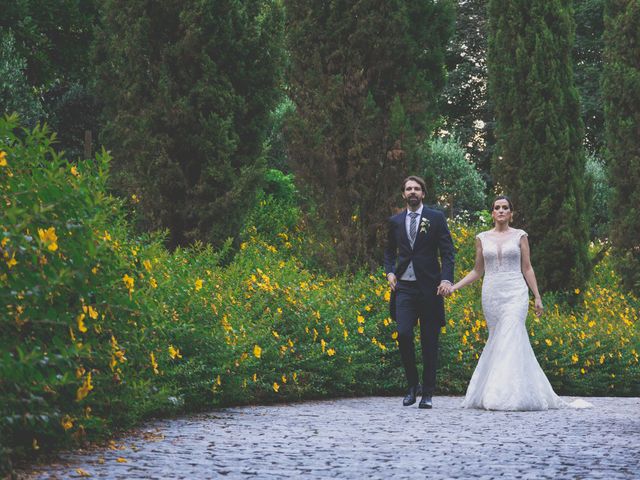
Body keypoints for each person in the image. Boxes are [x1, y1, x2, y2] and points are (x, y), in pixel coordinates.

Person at [448, 196, 591, 410]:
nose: (501, 211)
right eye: (497, 208)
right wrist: (454, 287)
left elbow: (527, 268)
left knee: (511, 335)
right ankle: (495, 391)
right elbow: (478, 270)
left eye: (505, 208)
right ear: (492, 213)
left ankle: (506, 396)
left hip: (515, 292)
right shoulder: (482, 238)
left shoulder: (520, 236)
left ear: (511, 213)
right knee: (498, 339)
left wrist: (537, 296)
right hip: (492, 294)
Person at [384, 176, 455, 409]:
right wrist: (390, 272)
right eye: (408, 189)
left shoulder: (435, 218)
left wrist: (446, 279)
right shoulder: (395, 221)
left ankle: (428, 392)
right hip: (403, 287)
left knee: (429, 341)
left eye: (416, 189)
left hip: (430, 288)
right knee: (403, 334)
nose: (412, 192)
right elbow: (388, 253)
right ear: (403, 194)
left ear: (423, 193)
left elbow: (447, 252)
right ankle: (412, 385)